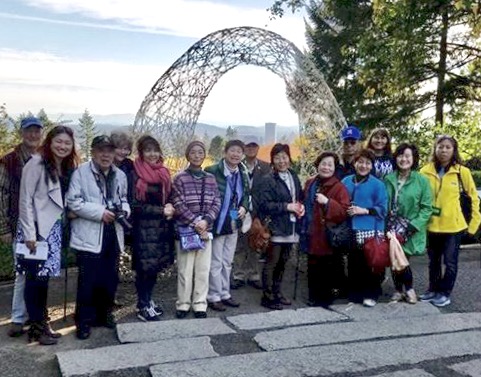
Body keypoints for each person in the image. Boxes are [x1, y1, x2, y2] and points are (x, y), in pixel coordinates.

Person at [17, 125, 78, 345]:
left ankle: (42, 323)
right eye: (58, 142)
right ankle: (36, 327)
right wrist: (29, 233)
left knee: (43, 281)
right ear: (50, 142)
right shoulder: (36, 162)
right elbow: (25, 199)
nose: (62, 146)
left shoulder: (64, 166)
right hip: (35, 229)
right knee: (35, 280)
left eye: (67, 143)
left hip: (52, 229)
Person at [66, 135, 130, 339]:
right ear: (93, 152)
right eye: (101, 150)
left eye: (109, 151)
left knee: (110, 278)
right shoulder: (81, 173)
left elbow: (124, 199)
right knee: (88, 281)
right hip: (89, 234)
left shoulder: (119, 175)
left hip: (112, 232)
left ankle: (104, 314)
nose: (106, 155)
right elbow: (73, 202)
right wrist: (100, 212)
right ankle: (83, 321)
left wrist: (124, 211)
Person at [419, 135, 481, 307]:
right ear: (435, 149)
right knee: (433, 262)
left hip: (453, 226)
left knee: (450, 262)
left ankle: (445, 293)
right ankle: (433, 289)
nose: (444, 150)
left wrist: (474, 224)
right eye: (440, 147)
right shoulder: (425, 171)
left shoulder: (462, 172)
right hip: (432, 225)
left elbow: (474, 198)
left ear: (453, 150)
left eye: (448, 147)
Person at [0, 116, 44, 338]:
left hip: (43, 226)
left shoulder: (46, 159)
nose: (33, 135)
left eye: (37, 131)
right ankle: (18, 317)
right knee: (22, 272)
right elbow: (2, 195)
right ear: (21, 133)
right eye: (29, 131)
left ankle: (33, 315)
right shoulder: (9, 161)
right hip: (20, 224)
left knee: (39, 273)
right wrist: (4, 228)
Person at [171, 141, 221, 318]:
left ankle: (200, 303)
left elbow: (217, 201)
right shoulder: (179, 178)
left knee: (202, 269)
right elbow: (177, 203)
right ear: (187, 155)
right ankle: (183, 303)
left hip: (205, 230)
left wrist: (206, 221)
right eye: (193, 152)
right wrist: (195, 221)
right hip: (186, 230)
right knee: (185, 269)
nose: (197, 156)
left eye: (200, 152)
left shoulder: (210, 178)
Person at [131, 135, 175, 321]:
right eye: (148, 150)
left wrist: (171, 207)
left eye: (155, 150)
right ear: (141, 153)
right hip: (143, 230)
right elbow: (135, 205)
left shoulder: (163, 172)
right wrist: (161, 211)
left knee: (154, 268)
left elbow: (170, 196)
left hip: (161, 230)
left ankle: (149, 301)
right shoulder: (136, 173)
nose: (152, 154)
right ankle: (142, 304)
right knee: (144, 270)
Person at [257, 143, 304, 310]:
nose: (281, 161)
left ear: (289, 159)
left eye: (284, 157)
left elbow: (298, 196)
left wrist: (300, 206)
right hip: (276, 227)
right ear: (272, 160)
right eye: (277, 158)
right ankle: (267, 296)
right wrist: (286, 207)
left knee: (283, 262)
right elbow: (264, 205)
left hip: (291, 227)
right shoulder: (268, 179)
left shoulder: (293, 175)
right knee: (272, 262)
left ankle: (277, 292)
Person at [384, 143, 433, 304]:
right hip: (392, 226)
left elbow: (427, 208)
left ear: (414, 159)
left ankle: (408, 289)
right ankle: (400, 290)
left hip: (411, 227)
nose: (403, 159)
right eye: (400, 155)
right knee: (394, 258)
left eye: (407, 156)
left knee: (402, 258)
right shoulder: (389, 178)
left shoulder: (421, 180)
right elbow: (384, 202)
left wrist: (415, 224)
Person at [205, 140, 250, 311]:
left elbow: (246, 194)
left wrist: (244, 207)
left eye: (239, 151)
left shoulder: (242, 172)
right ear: (225, 152)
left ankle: (225, 293)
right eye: (233, 150)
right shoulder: (212, 171)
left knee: (227, 261)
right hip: (217, 221)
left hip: (233, 221)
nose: (236, 154)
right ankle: (213, 295)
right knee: (216, 261)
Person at [303, 152, 350, 307]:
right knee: (312, 264)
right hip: (311, 231)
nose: (326, 167)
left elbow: (344, 211)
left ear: (335, 168)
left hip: (327, 233)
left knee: (326, 266)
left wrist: (328, 202)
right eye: (323, 163)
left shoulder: (339, 187)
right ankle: (312, 295)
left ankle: (325, 297)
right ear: (318, 165)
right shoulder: (310, 183)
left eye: (330, 165)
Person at [342, 149, 388, 307]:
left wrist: (365, 210)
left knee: (370, 263)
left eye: (368, 163)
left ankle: (371, 293)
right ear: (355, 163)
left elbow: (383, 209)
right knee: (354, 261)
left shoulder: (378, 184)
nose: (363, 166)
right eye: (360, 162)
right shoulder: (346, 181)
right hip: (351, 228)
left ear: (372, 165)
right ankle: (355, 293)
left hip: (371, 228)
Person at [231, 140, 271, 290]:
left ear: (258, 148)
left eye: (253, 146)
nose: (250, 149)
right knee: (239, 244)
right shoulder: (236, 166)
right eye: (247, 146)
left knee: (255, 244)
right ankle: (238, 275)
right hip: (238, 210)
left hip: (258, 211)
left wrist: (260, 216)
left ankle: (254, 275)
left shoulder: (266, 167)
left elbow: (268, 191)